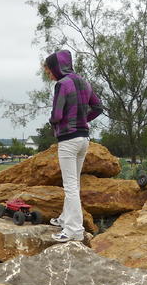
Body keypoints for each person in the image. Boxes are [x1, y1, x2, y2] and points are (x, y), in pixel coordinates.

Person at [44, 49, 103, 242]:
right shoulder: (84, 82)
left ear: (56, 67)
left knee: (69, 185)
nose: (49, 74)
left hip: (68, 140)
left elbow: (57, 115)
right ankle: (65, 218)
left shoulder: (62, 85)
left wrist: (53, 122)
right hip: (83, 139)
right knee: (74, 183)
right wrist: (82, 119)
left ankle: (73, 230)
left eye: (49, 70)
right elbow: (98, 107)